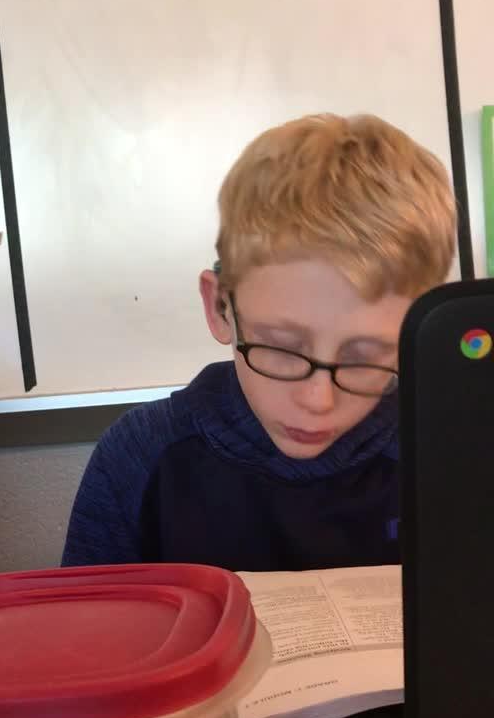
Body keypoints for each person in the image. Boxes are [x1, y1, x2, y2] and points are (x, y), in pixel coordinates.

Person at [62, 114, 456, 572]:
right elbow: (89, 635)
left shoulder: (445, 455)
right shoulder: (140, 459)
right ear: (220, 308)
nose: (317, 400)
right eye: (282, 349)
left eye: (364, 359)